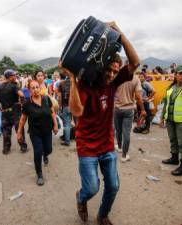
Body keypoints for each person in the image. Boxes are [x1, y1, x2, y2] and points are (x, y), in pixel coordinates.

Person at [61, 21, 140, 225]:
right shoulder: (86, 85)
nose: (112, 75)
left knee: (113, 186)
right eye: (109, 71)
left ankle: (103, 215)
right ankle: (81, 198)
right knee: (92, 188)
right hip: (87, 146)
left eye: (115, 72)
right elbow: (77, 112)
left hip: (106, 144)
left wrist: (120, 33)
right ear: (100, 66)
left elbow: (135, 62)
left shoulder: (113, 82)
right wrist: (72, 78)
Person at [17, 80, 58, 186]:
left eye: (37, 87)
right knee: (38, 151)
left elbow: (52, 112)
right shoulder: (27, 104)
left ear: (40, 88)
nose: (35, 90)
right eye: (32, 88)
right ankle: (39, 174)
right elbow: (22, 119)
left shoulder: (46, 99)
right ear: (29, 90)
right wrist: (19, 132)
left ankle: (46, 154)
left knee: (48, 149)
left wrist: (55, 124)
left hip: (47, 130)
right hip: (35, 132)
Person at [0, 69, 28, 154]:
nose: (15, 77)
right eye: (14, 75)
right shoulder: (14, 85)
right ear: (10, 77)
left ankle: (6, 148)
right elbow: (22, 95)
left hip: (4, 111)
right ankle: (23, 146)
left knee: (6, 131)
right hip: (15, 111)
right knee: (19, 129)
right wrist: (22, 103)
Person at [114, 75, 146, 162]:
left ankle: (120, 147)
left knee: (118, 130)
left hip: (116, 108)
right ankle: (124, 156)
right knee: (126, 133)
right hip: (128, 109)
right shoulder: (136, 79)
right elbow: (138, 97)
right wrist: (143, 110)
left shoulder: (117, 76)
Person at [57, 72, 72, 146]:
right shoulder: (76, 83)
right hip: (75, 106)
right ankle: (80, 140)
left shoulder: (62, 83)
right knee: (78, 123)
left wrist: (59, 106)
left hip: (66, 106)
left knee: (67, 124)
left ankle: (67, 141)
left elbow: (59, 97)